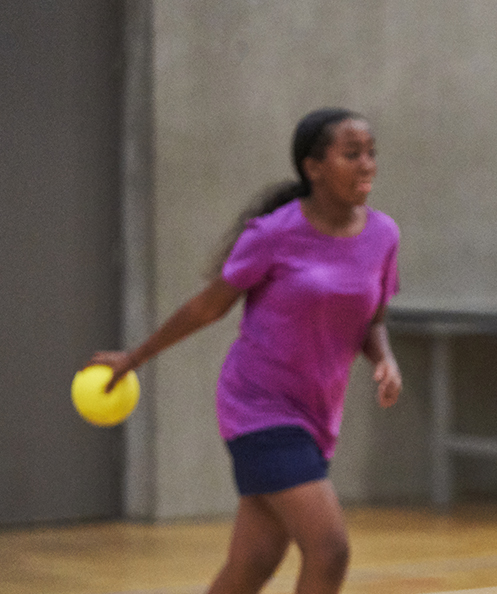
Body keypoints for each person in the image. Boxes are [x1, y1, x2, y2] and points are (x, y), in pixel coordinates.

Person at [87, 107, 403, 594]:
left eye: (371, 154)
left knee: (251, 564)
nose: (367, 165)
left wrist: (384, 359)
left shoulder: (383, 235)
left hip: (318, 413)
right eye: (352, 154)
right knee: (329, 549)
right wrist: (134, 358)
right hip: (259, 407)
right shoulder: (273, 234)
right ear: (313, 167)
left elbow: (371, 318)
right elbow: (207, 308)